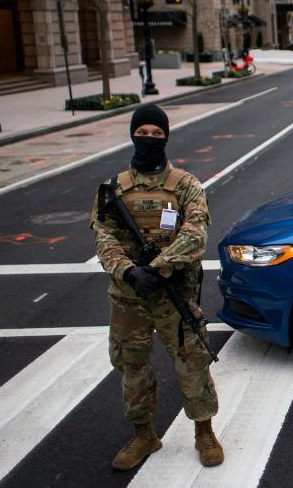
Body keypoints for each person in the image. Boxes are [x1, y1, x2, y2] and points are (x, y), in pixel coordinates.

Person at [90, 104, 224, 469]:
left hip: (172, 294)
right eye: (143, 132)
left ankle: (204, 431)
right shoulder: (112, 189)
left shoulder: (186, 186)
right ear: (132, 135)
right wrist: (128, 272)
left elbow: (195, 235)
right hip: (129, 295)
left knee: (192, 362)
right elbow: (104, 236)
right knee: (131, 366)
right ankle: (144, 434)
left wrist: (156, 268)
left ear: (166, 137)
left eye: (156, 133)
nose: (149, 138)